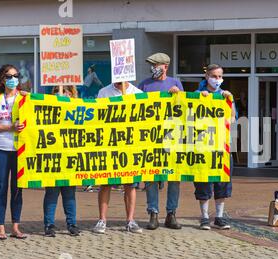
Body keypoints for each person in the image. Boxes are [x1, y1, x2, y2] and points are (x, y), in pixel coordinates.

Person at [138, 53, 184, 230]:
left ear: (165, 66)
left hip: (171, 137)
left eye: (156, 64)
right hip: (150, 137)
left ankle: (171, 213)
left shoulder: (175, 83)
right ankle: (153, 213)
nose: (153, 68)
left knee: (174, 176)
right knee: (151, 176)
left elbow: (182, 107)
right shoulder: (144, 85)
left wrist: (176, 95)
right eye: (152, 65)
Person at [92, 81, 143, 234]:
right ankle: (102, 219)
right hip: (109, 145)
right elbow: (98, 117)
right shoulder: (104, 92)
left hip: (130, 145)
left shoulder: (138, 93)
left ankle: (130, 220)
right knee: (106, 183)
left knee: (130, 184)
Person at [194, 64, 236, 230]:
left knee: (222, 182)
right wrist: (199, 100)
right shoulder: (197, 94)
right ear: (207, 77)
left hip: (222, 146)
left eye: (220, 76)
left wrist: (230, 100)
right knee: (204, 181)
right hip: (203, 146)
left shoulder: (224, 96)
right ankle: (204, 216)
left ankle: (219, 217)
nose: (217, 79)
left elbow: (232, 118)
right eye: (214, 76)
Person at [0, 64, 26, 240]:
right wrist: (10, 127)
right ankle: (0, 228)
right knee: (1, 188)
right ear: (2, 79)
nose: (13, 79)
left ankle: (15, 227)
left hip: (20, 149)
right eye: (9, 76)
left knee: (18, 189)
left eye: (16, 75)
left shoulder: (25, 98)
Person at [43, 85, 81, 237]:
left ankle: (72, 223)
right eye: (58, 91)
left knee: (69, 193)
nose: (62, 93)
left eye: (66, 91)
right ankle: (49, 224)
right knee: (51, 193)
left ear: (72, 94)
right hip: (53, 158)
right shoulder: (48, 111)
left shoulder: (78, 110)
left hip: (70, 158)